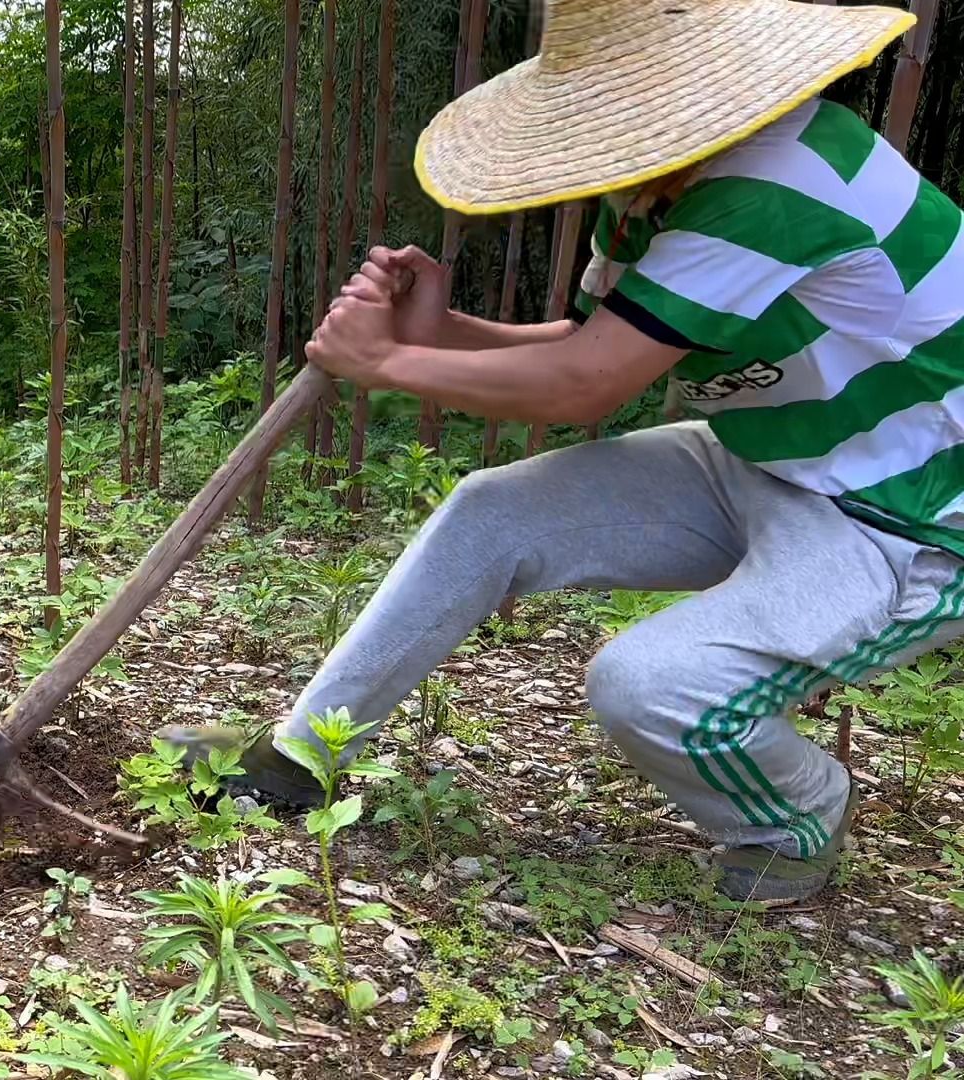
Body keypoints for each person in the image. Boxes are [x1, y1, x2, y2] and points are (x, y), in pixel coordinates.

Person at [171, 0, 962, 902]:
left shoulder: (778, 186)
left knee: (652, 686)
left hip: (910, 516)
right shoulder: (659, 190)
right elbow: (590, 340)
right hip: (769, 460)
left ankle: (797, 813)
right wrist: (438, 330)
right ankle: (298, 759)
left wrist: (389, 360)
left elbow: (587, 388)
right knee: (492, 508)